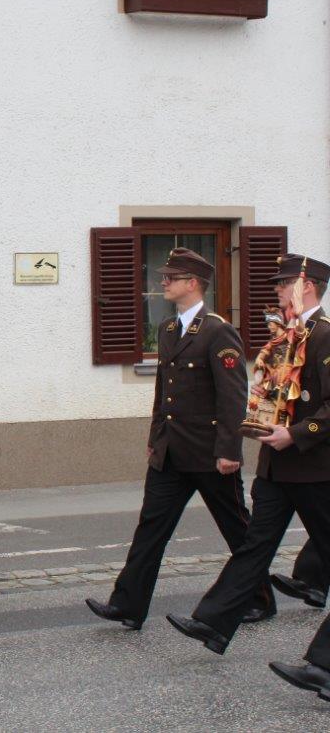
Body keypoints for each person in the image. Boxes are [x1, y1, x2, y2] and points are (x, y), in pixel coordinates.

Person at [164, 254, 330, 702]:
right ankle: (214, 622)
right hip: (278, 467)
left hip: (315, 468)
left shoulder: (326, 336)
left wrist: (294, 434)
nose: (276, 292)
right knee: (255, 544)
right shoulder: (284, 335)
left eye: (283, 285)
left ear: (307, 287)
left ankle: (324, 666)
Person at [85, 248, 273, 630]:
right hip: (171, 452)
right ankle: (128, 605)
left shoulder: (219, 331)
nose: (163, 282)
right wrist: (156, 438)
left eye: (171, 278)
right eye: (164, 276)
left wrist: (229, 450)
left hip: (209, 454)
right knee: (151, 528)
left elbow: (233, 396)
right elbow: (163, 392)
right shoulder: (169, 330)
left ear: (193, 284)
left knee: (238, 528)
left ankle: (261, 598)